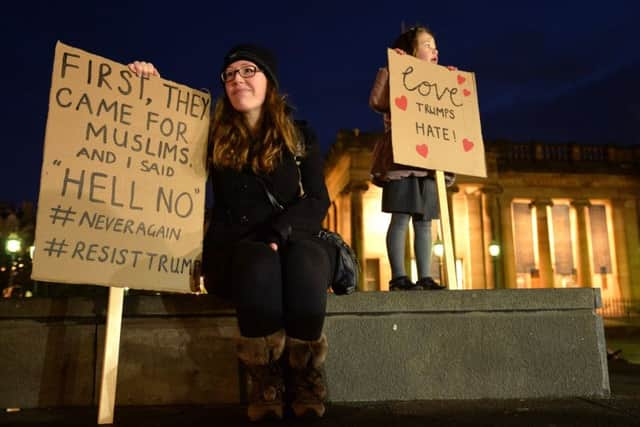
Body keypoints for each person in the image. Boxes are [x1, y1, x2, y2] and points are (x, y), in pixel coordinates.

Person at [129, 44, 333, 421]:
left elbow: (319, 200)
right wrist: (148, 88)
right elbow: (158, 144)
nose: (237, 78)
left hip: (292, 240)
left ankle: (305, 372)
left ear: (269, 83)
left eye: (248, 71)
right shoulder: (210, 136)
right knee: (257, 260)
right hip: (237, 252)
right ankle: (265, 375)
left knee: (308, 259)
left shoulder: (300, 136)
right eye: (230, 74)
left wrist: (279, 231)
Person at [369, 25, 453, 291]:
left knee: (425, 222)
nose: (434, 49)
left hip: (429, 163)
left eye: (435, 45)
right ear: (410, 51)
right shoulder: (397, 77)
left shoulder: (439, 82)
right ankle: (399, 277)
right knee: (401, 218)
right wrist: (393, 68)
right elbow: (377, 101)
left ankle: (426, 276)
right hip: (401, 161)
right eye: (427, 44)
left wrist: (453, 85)